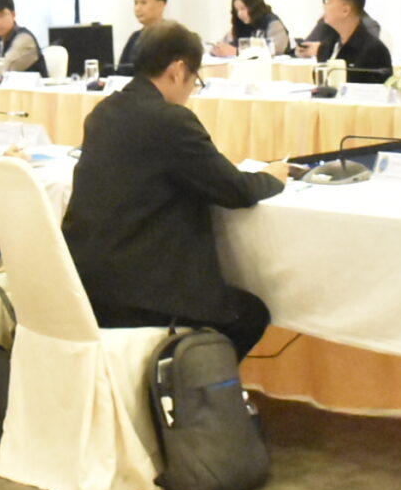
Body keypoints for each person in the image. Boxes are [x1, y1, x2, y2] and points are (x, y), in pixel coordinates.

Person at [64, 23, 286, 357]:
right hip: (143, 294)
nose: (192, 90)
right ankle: (182, 385)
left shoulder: (104, 112)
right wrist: (274, 176)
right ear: (179, 69)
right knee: (249, 315)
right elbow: (236, 190)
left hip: (86, 283)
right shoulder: (170, 120)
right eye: (195, 79)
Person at [295, 0, 392, 82]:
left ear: (345, 10)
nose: (324, 7)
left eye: (328, 1)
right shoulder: (329, 45)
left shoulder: (373, 50)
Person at [210, 0, 292, 58]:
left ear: (253, 6)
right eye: (237, 10)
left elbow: (276, 48)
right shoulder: (240, 25)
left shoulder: (271, 22)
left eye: (243, 9)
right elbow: (223, 44)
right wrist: (217, 49)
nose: (239, 14)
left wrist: (238, 52)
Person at [113, 0, 170, 74]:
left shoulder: (173, 37)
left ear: (161, 5)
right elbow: (121, 72)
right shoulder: (135, 37)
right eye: (136, 3)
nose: (137, 8)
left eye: (143, 3)